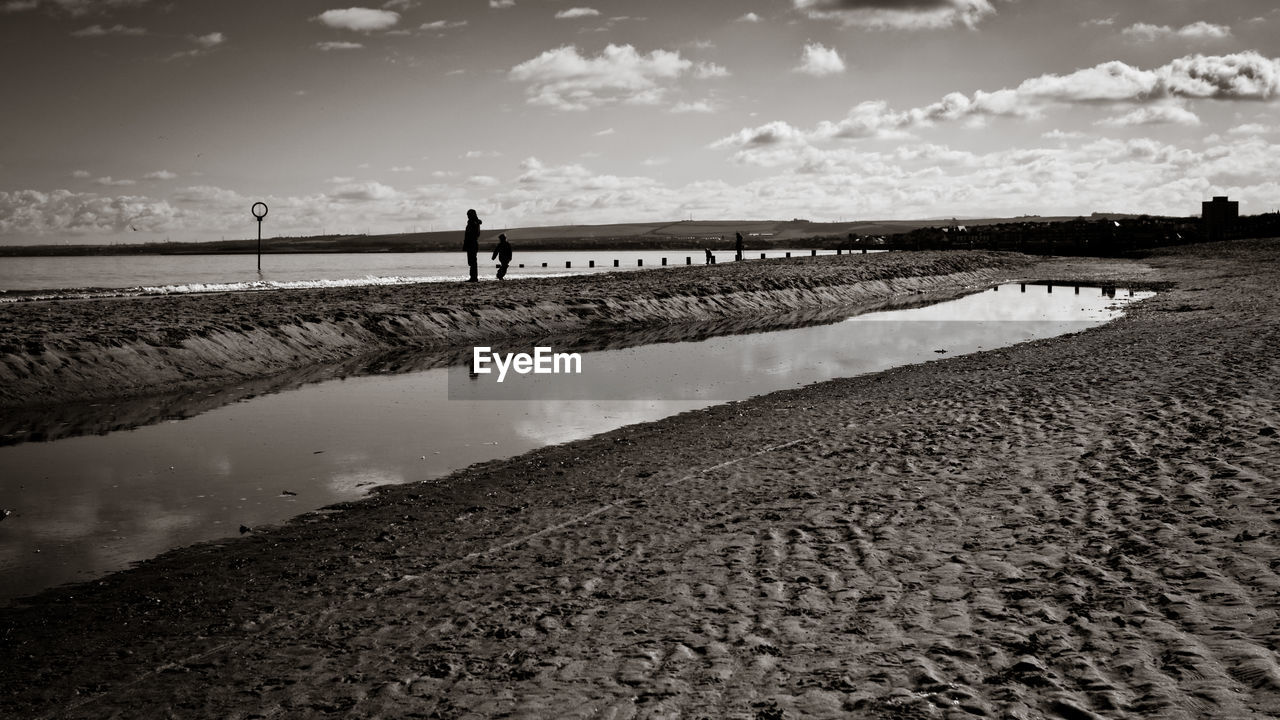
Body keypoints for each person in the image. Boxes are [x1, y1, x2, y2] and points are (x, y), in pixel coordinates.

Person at [463, 209, 481, 282]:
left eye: (468, 215)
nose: (467, 216)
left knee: (472, 261)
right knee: (471, 261)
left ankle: (473, 277)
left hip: (472, 244)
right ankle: (473, 277)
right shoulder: (474, 223)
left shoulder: (474, 223)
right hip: (471, 243)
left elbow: (475, 234)